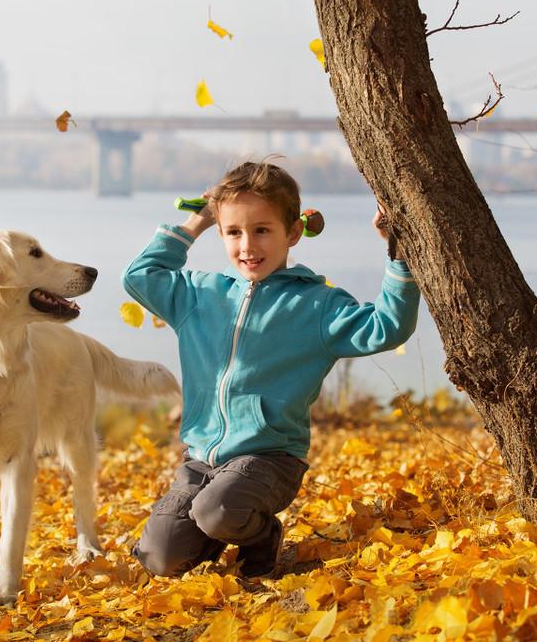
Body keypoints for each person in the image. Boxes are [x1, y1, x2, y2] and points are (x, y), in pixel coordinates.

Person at [121, 160, 421, 579]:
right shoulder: (198, 295)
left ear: (292, 233)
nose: (248, 246)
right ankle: (215, 529)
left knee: (218, 509)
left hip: (270, 459)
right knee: (160, 558)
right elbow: (139, 276)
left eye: (262, 230)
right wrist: (198, 221)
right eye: (234, 232)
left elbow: (386, 328)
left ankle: (258, 534)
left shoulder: (316, 305)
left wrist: (399, 258)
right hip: (201, 461)